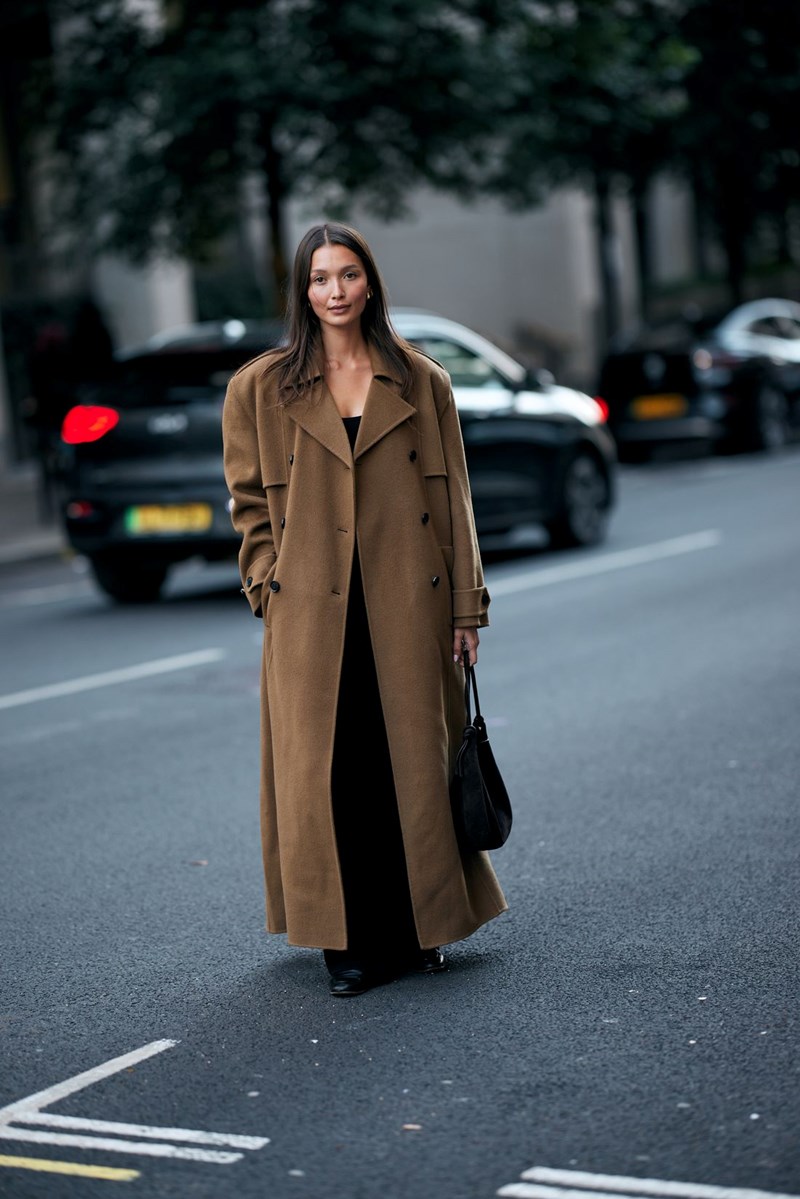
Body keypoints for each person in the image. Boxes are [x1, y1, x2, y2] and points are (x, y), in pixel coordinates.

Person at [223, 222, 507, 997]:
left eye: (348, 274)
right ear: (303, 290)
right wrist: (266, 585)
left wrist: (467, 609)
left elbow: (456, 501)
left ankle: (417, 927)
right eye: (320, 278)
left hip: (408, 603)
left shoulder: (419, 379)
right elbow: (248, 505)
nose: (336, 291)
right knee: (332, 773)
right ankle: (345, 942)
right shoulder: (260, 389)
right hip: (309, 613)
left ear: (370, 282)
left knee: (407, 767)